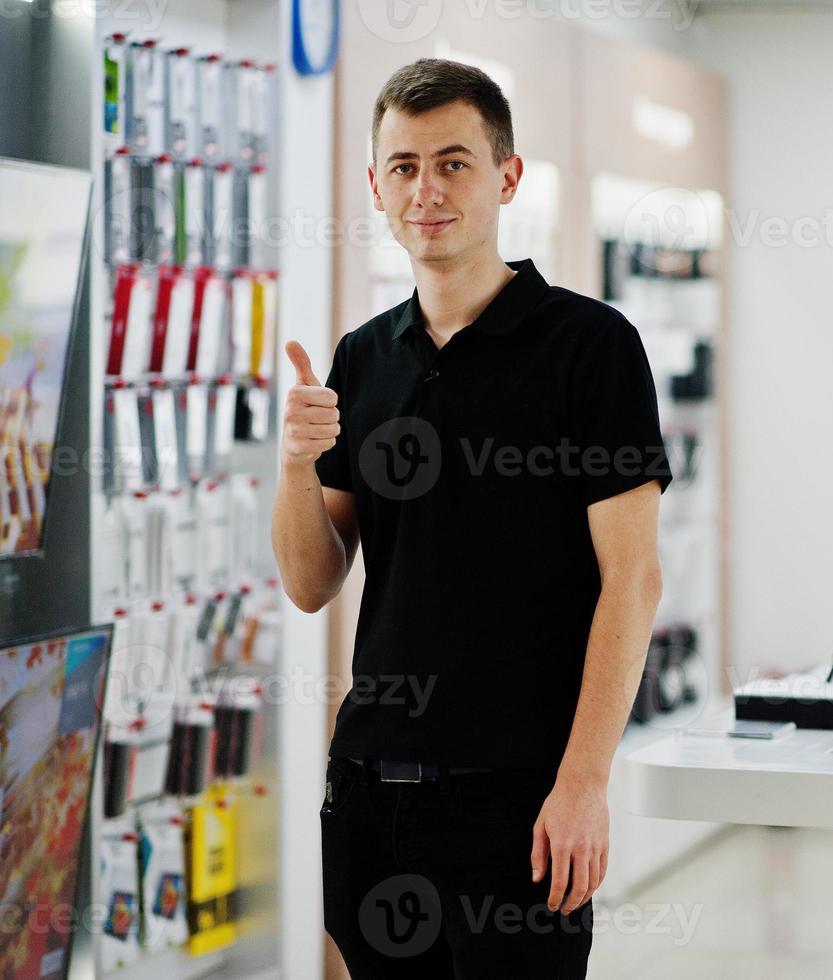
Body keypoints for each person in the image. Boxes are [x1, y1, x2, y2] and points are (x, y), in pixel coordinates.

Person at [270, 57, 670, 978]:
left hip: (521, 806)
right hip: (370, 797)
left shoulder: (591, 347)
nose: (427, 190)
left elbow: (633, 580)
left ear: (507, 175)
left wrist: (584, 785)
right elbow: (309, 581)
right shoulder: (362, 357)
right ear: (376, 185)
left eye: (453, 162)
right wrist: (294, 466)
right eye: (404, 167)